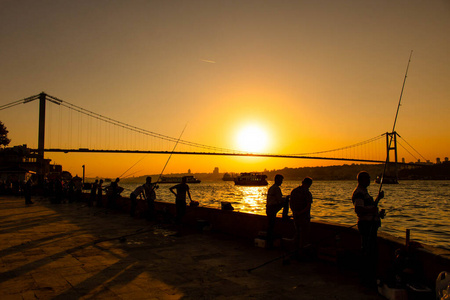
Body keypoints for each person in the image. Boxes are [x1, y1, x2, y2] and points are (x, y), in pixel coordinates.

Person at [352, 171, 384, 288]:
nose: (370, 180)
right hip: (366, 225)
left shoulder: (364, 193)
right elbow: (359, 210)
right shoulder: (359, 193)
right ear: (362, 180)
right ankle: (366, 278)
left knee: (371, 251)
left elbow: (370, 206)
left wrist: (378, 199)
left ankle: (369, 277)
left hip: (371, 224)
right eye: (368, 178)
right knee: (368, 251)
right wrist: (373, 211)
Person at [290, 177, 313, 254]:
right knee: (303, 236)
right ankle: (300, 252)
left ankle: (294, 251)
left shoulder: (294, 191)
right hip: (304, 217)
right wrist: (301, 213)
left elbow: (291, 204)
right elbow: (308, 206)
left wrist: (295, 212)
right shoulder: (307, 193)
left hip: (296, 216)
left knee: (297, 233)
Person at [266, 174, 289, 248]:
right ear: (277, 180)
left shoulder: (271, 187)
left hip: (269, 208)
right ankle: (285, 216)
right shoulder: (276, 188)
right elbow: (279, 200)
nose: (281, 182)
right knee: (286, 202)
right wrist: (287, 198)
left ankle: (269, 242)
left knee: (271, 226)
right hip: (272, 208)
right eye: (281, 180)